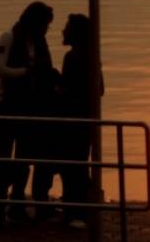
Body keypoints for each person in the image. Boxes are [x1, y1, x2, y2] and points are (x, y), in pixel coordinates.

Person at [0, 0, 57, 223]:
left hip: (30, 107)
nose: (46, 30)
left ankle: (17, 202)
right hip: (8, 106)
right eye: (45, 25)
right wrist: (25, 72)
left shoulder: (38, 43)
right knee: (3, 158)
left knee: (24, 157)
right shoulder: (8, 38)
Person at [57, 13, 103, 230]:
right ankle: (81, 207)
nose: (62, 31)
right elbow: (100, 89)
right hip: (85, 121)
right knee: (78, 165)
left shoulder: (73, 57)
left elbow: (68, 90)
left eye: (66, 27)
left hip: (73, 121)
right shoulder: (92, 56)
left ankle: (76, 211)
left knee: (72, 167)